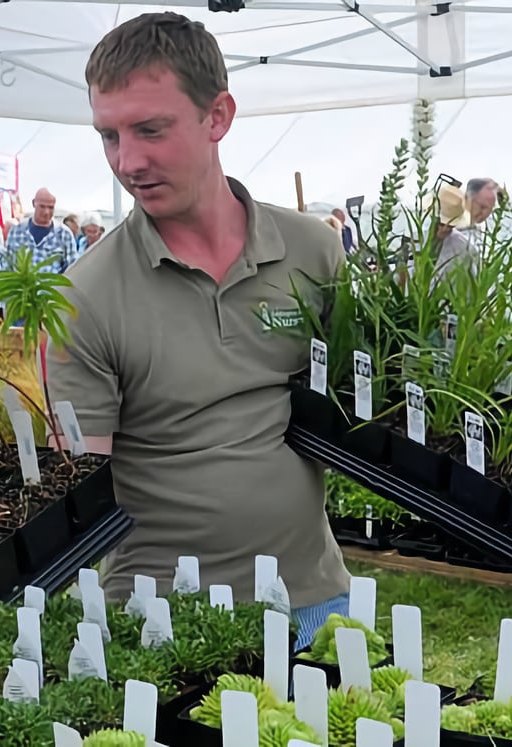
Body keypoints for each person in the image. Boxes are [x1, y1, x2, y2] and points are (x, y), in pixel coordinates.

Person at [47, 11, 350, 648]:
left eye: (151, 129)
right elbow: (79, 490)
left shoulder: (312, 253)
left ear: (218, 116)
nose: (128, 161)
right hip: (159, 620)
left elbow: (364, 407)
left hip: (312, 600)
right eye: (109, 136)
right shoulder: (83, 295)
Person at [5, 188, 81, 273]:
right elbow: (7, 265)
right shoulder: (16, 231)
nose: (46, 212)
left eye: (51, 207)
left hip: (52, 286)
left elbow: (73, 269)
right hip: (21, 285)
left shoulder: (64, 235)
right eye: (42, 206)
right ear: (34, 203)